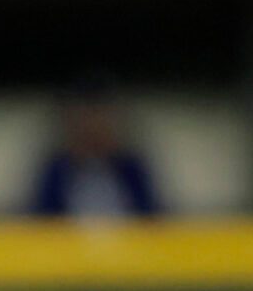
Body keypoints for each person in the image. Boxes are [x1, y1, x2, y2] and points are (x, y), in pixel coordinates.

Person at [28, 90, 160, 218]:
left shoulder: (132, 168)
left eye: (101, 121)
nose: (93, 130)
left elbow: (152, 215)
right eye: (85, 123)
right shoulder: (56, 170)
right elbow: (41, 218)